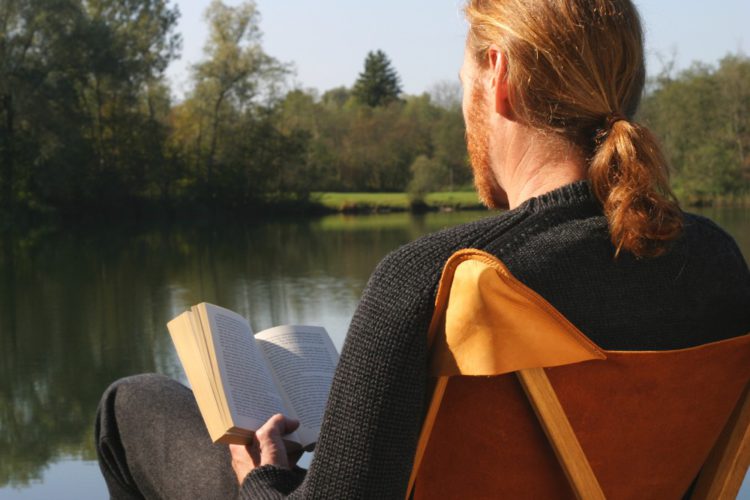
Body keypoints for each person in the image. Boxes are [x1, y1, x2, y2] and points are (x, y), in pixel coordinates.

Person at [95, 0, 750, 498]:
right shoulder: (720, 264)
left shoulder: (437, 281)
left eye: (465, 77)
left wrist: (259, 479)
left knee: (130, 405)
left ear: (499, 78)